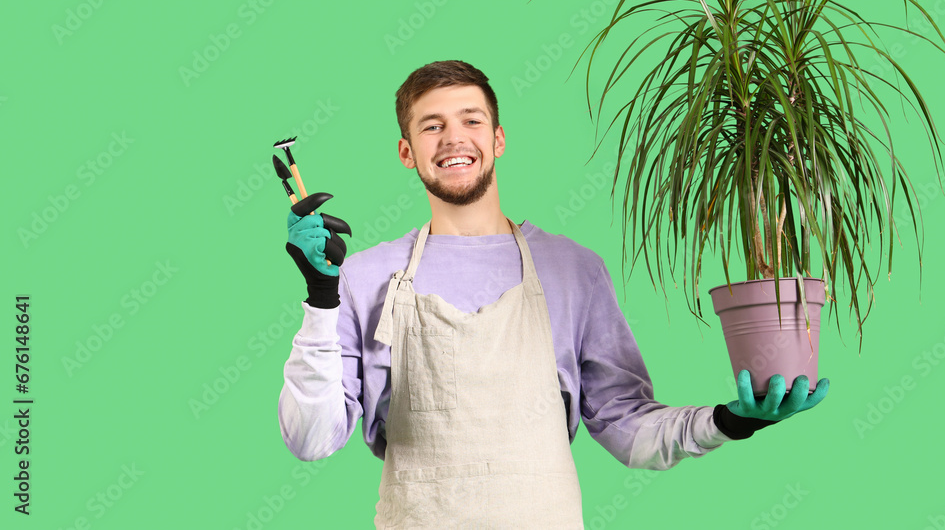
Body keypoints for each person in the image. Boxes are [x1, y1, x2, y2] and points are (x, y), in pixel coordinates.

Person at [278, 60, 829, 527]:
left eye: (471, 120)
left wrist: (729, 421)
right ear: (406, 151)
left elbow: (625, 424)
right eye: (431, 126)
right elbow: (311, 439)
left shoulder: (572, 269)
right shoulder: (364, 275)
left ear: (497, 138)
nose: (452, 138)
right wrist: (321, 297)